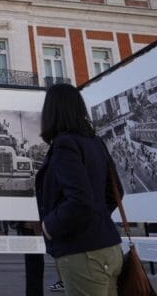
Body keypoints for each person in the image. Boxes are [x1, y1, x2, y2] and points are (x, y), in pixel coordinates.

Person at [35, 84, 123, 296]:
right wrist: (96, 216)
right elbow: (116, 193)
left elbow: (79, 201)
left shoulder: (65, 144)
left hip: (83, 253)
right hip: (109, 248)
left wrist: (49, 225)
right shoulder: (95, 142)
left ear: (52, 112)